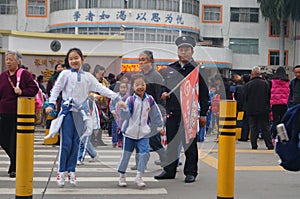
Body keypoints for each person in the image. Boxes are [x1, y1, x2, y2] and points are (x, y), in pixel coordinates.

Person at [45, 48, 126, 187]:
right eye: (71, 59)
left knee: (76, 143)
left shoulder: (88, 77)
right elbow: (56, 89)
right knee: (66, 144)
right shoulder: (65, 74)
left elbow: (102, 89)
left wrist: (117, 98)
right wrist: (51, 104)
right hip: (68, 113)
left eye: (76, 58)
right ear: (68, 61)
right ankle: (61, 171)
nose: (74, 61)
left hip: (81, 115)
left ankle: (71, 171)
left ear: (82, 59)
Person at [154, 36, 209, 183]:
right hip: (173, 112)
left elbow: (204, 94)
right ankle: (169, 170)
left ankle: (191, 172)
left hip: (189, 113)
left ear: (192, 51)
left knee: (189, 144)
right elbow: (163, 88)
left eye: (187, 49)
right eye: (181, 49)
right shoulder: (171, 69)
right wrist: (163, 95)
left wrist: (203, 114)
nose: (183, 52)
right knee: (171, 143)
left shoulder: (197, 70)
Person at [117, 73, 164, 187]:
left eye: (142, 84)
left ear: (145, 85)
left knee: (144, 154)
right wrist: (123, 109)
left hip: (144, 133)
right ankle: (122, 175)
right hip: (129, 133)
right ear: (132, 87)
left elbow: (156, 114)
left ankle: (139, 177)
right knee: (126, 156)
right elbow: (125, 116)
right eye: (137, 85)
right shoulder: (130, 100)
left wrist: (159, 126)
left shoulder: (150, 100)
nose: (140, 87)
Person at [0, 50, 39, 178]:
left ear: (18, 61)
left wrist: (22, 91)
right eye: (7, 59)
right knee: (3, 139)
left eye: (11, 59)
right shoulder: (3, 76)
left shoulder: (24, 75)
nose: (8, 62)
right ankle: (14, 159)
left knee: (14, 141)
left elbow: (34, 89)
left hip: (19, 113)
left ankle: (14, 166)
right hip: (3, 112)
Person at [130, 50, 167, 169]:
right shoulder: (140, 76)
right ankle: (139, 163)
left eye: (143, 60)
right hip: (139, 112)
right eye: (139, 60)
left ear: (151, 61)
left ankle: (167, 159)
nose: (141, 63)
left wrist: (161, 114)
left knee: (153, 139)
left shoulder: (156, 76)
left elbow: (159, 96)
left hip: (151, 113)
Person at [244, 66, 273, 150]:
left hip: (251, 109)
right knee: (265, 128)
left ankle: (254, 145)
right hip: (263, 109)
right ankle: (269, 145)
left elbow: (245, 97)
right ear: (260, 74)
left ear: (252, 74)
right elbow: (268, 96)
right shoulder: (265, 83)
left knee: (253, 128)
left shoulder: (248, 85)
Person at [269, 66, 290, 142]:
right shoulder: (287, 82)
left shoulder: (272, 82)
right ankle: (282, 138)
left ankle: (273, 137)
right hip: (284, 104)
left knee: (275, 121)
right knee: (283, 121)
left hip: (275, 104)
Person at [110, 81, 129, 148]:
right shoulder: (116, 96)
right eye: (121, 87)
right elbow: (111, 104)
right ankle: (114, 141)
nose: (123, 89)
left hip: (124, 116)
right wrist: (113, 111)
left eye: (124, 88)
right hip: (116, 115)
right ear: (119, 88)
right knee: (115, 128)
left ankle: (122, 141)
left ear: (127, 88)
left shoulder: (128, 97)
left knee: (124, 129)